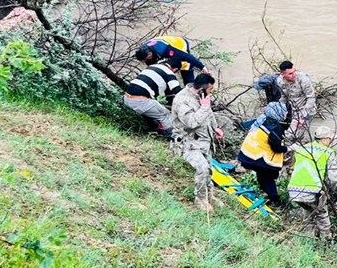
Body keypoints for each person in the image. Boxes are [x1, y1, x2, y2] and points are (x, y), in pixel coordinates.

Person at [171, 73, 223, 212]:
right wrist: (204, 107)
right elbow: (192, 122)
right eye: (210, 89)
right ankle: (200, 199)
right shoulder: (182, 101)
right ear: (201, 89)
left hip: (204, 140)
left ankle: (209, 195)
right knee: (202, 169)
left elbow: (209, 113)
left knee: (209, 169)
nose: (211, 93)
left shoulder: (202, 97)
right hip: (188, 142)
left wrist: (215, 127)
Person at [234, 101, 290, 207]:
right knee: (268, 177)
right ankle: (275, 201)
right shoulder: (275, 127)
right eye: (284, 112)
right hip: (261, 159)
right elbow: (276, 147)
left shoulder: (262, 119)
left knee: (262, 176)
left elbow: (243, 126)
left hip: (246, 154)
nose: (286, 115)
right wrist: (288, 148)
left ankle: (268, 193)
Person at [287, 125, 335, 240]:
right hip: (313, 191)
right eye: (330, 139)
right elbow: (333, 178)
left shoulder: (301, 148)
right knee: (322, 213)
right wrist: (330, 190)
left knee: (308, 209)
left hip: (294, 191)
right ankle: (326, 240)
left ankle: (309, 236)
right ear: (324, 139)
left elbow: (291, 168)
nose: (331, 141)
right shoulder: (328, 152)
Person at [123, 56, 182, 138]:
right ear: (175, 69)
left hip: (127, 98)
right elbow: (179, 93)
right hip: (140, 101)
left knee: (154, 110)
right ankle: (170, 135)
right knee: (166, 114)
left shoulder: (152, 67)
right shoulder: (169, 74)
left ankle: (154, 130)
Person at [137, 35, 206, 84]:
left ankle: (190, 83)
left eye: (147, 58)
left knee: (186, 65)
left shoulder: (164, 49)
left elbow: (187, 56)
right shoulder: (143, 50)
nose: (146, 60)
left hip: (180, 44)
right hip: (165, 41)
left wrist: (202, 67)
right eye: (145, 60)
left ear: (149, 53)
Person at [275, 60, 316, 141]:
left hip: (307, 111)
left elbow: (311, 98)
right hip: (294, 110)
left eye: (294, 72)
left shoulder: (303, 79)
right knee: (298, 135)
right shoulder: (280, 81)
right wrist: (278, 110)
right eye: (290, 74)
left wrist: (303, 117)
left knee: (289, 136)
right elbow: (283, 97)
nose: (293, 75)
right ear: (283, 74)